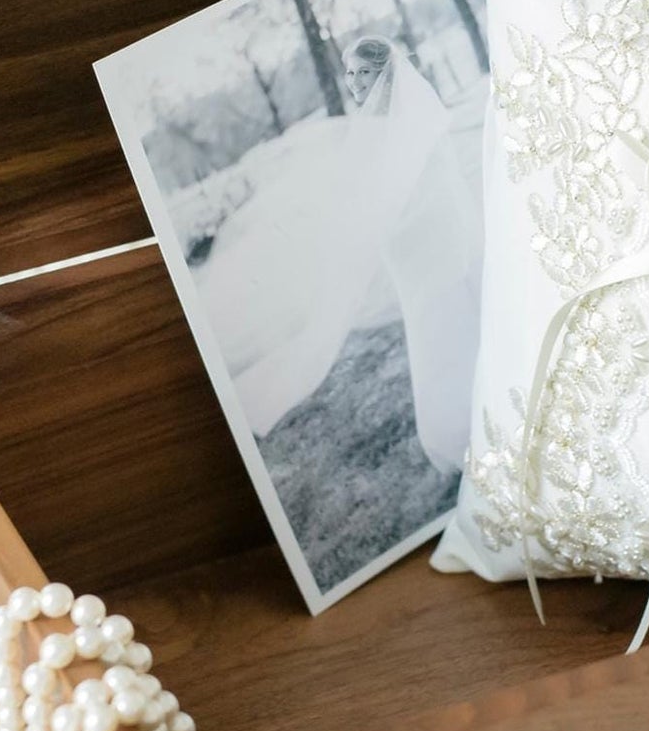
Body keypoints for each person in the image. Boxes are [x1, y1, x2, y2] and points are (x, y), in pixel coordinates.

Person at [200, 34, 481, 473]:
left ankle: (464, 420)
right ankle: (459, 420)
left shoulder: (414, 120)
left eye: (362, 73)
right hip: (407, 250)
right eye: (348, 73)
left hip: (428, 242)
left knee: (444, 318)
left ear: (384, 74)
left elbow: (429, 186)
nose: (352, 82)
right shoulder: (374, 130)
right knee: (428, 322)